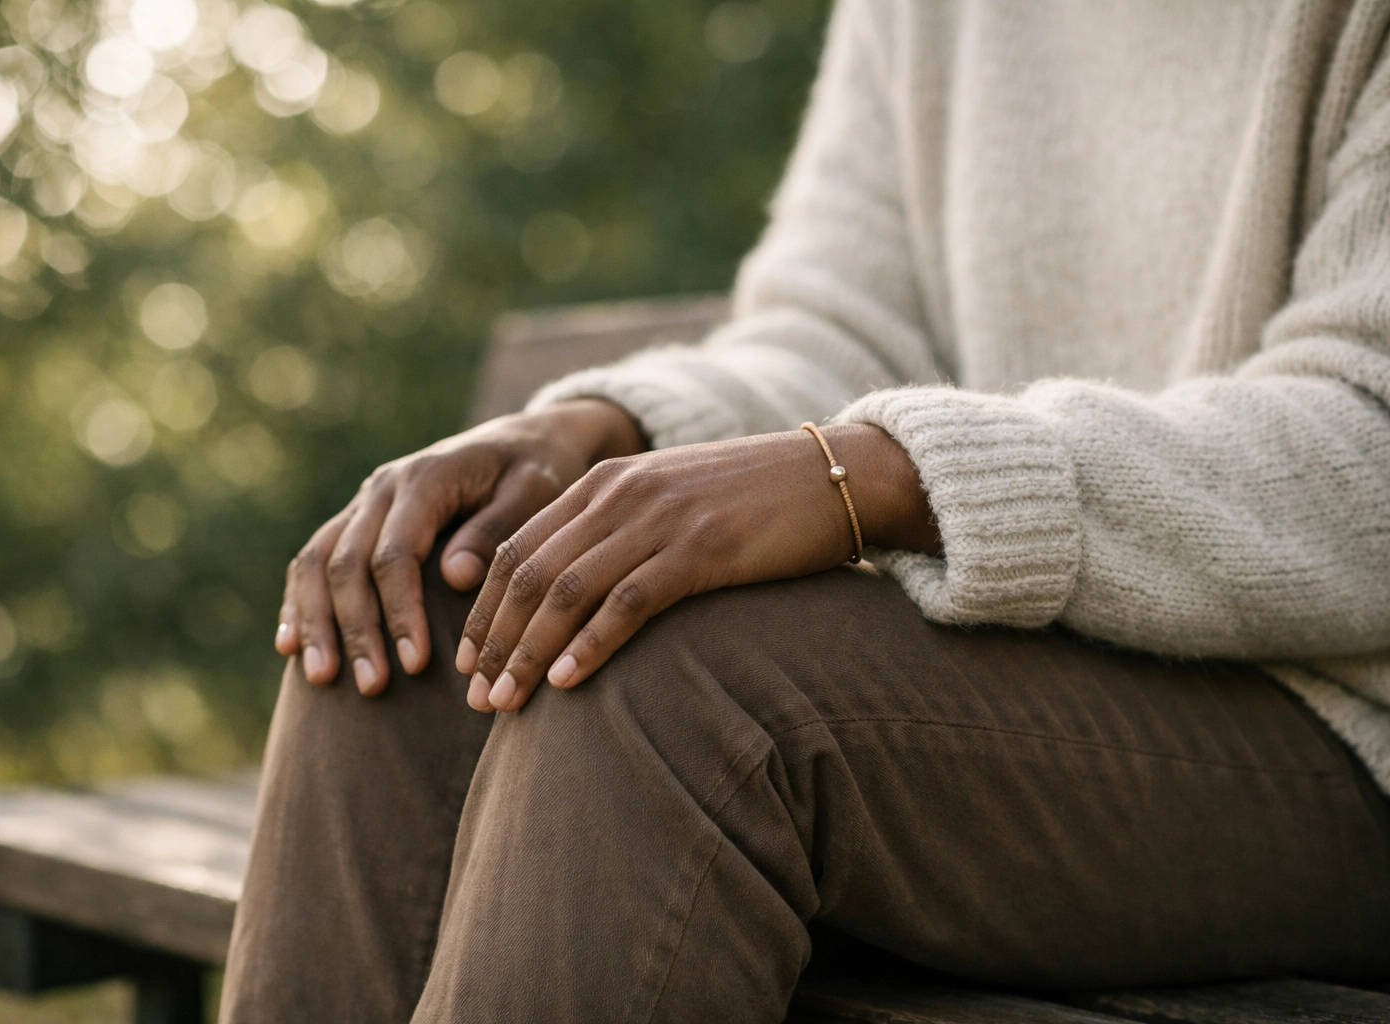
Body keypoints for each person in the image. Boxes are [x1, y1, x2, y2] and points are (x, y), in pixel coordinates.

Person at [220, 1, 1390, 1021]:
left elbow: (1369, 442)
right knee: (420, 597)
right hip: (1021, 679)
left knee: (689, 692)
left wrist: (881, 473)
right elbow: (839, 329)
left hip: (1337, 733)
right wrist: (599, 426)